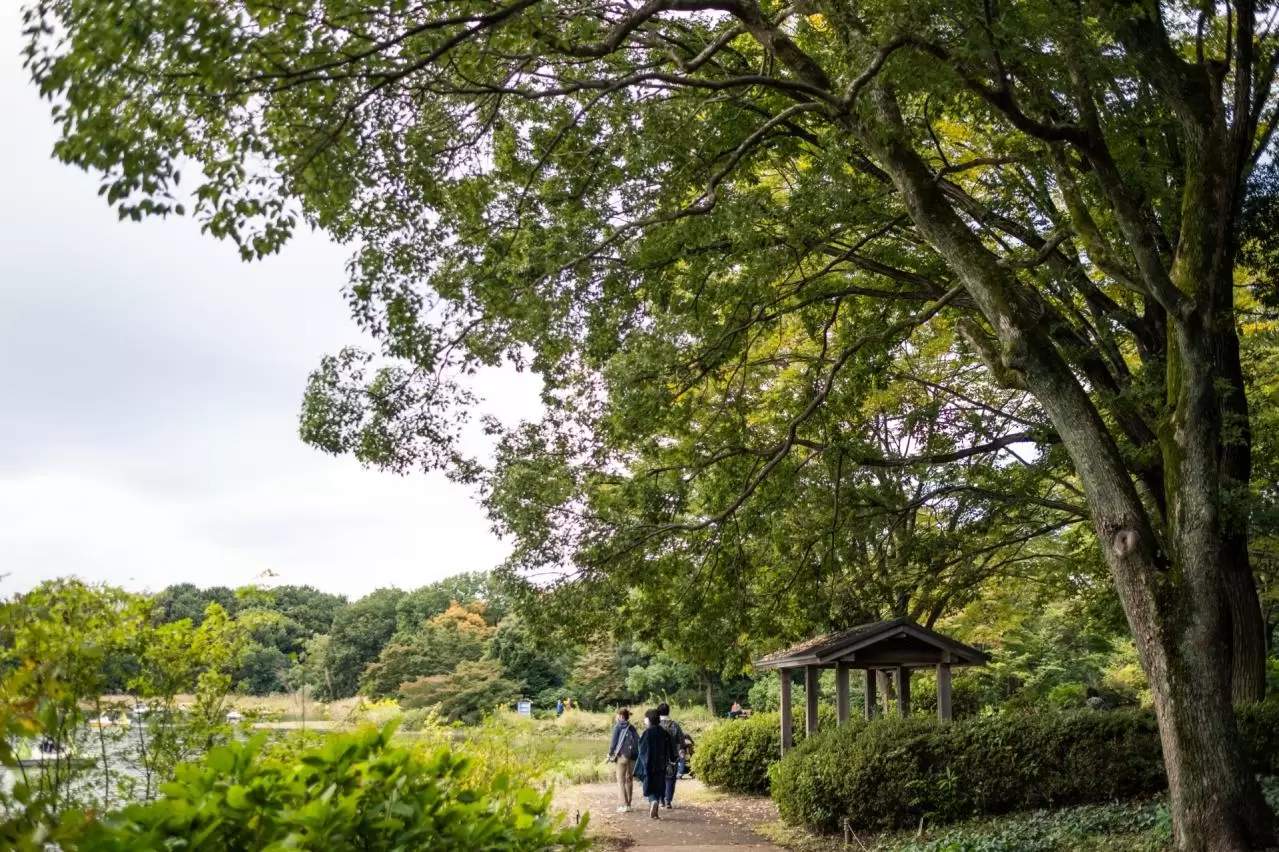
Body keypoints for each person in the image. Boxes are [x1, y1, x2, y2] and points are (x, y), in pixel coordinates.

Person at [634, 708, 677, 820]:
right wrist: (672, 759)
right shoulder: (664, 733)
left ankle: (653, 801)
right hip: (662, 764)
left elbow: (641, 748)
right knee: (659, 785)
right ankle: (656, 808)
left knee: (648, 784)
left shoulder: (647, 733)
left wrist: (642, 762)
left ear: (649, 720)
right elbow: (671, 748)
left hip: (649, 763)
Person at [606, 708, 639, 813]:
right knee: (629, 779)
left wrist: (610, 754)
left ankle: (623, 805)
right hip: (633, 756)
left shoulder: (618, 726)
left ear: (620, 716)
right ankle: (629, 804)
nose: (616, 717)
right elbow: (638, 740)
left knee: (621, 781)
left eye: (617, 715)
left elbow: (614, 743)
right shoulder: (632, 727)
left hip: (622, 756)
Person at [656, 703, 685, 808]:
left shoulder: (656, 725)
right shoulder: (674, 725)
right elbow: (681, 741)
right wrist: (681, 752)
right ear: (668, 712)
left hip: (658, 756)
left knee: (659, 778)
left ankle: (660, 801)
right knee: (670, 779)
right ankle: (668, 800)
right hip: (672, 756)